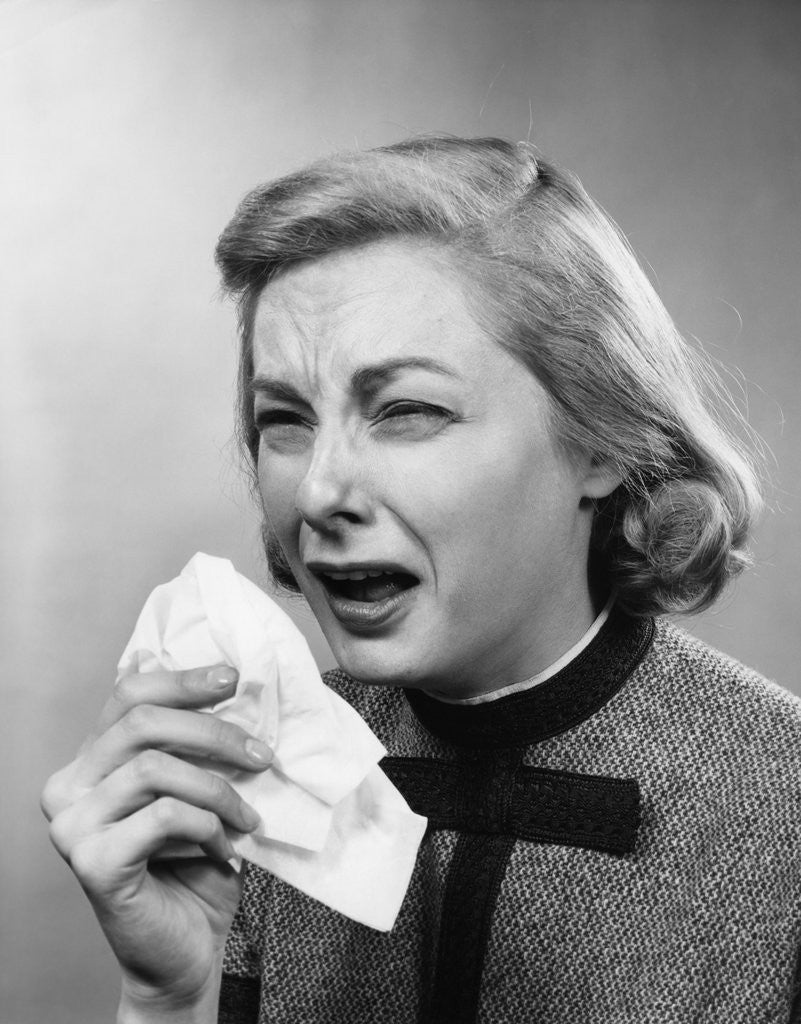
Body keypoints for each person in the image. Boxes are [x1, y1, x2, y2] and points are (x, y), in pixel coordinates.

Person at [42, 136, 801, 1023]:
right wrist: (168, 997)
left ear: (600, 439)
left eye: (405, 411)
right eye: (284, 418)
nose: (317, 492)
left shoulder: (780, 801)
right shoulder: (249, 767)